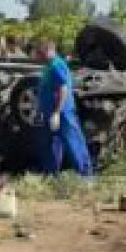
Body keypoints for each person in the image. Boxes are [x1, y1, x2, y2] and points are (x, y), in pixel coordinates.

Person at [33, 37, 93, 177]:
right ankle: (51, 174)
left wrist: (57, 112)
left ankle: (86, 176)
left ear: (49, 51)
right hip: (49, 112)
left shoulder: (57, 65)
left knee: (73, 142)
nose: (38, 56)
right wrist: (39, 111)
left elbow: (63, 89)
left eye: (40, 53)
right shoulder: (48, 66)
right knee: (52, 143)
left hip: (63, 112)